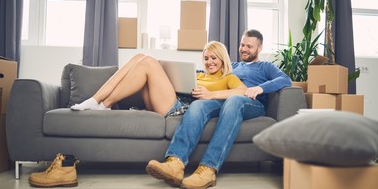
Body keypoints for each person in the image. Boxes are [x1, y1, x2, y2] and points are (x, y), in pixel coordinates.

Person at [146, 29, 292, 189]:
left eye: (249, 46)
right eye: (242, 44)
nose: (244, 49)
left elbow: (285, 79)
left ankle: (208, 169)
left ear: (259, 49)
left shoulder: (265, 66)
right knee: (199, 105)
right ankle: (175, 163)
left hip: (250, 103)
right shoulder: (232, 66)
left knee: (234, 100)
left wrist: (260, 88)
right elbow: (211, 75)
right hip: (223, 101)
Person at [71, 41, 247, 118]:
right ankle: (97, 100)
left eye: (214, 58)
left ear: (223, 59)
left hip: (178, 109)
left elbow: (243, 92)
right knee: (140, 56)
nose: (210, 62)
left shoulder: (228, 77)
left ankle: (103, 104)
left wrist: (211, 94)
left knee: (148, 61)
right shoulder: (199, 73)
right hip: (166, 101)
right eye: (207, 58)